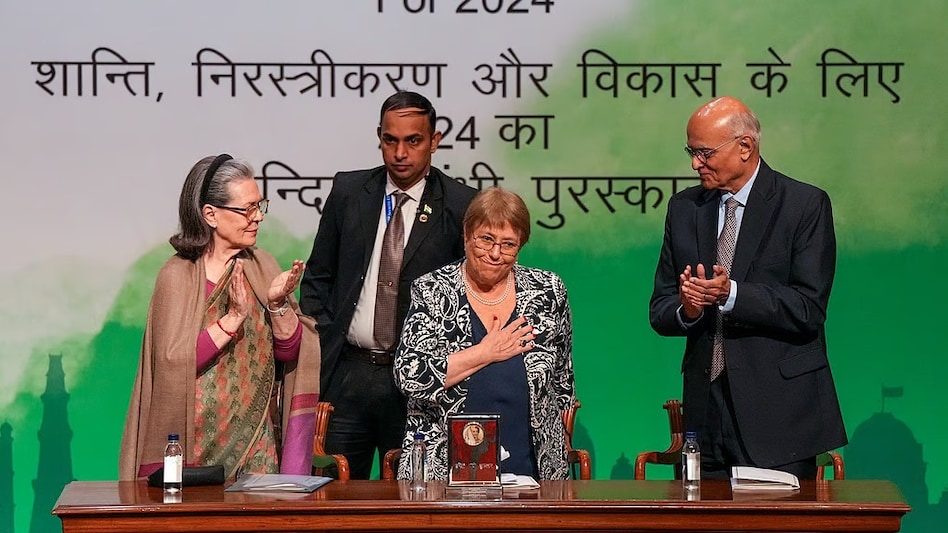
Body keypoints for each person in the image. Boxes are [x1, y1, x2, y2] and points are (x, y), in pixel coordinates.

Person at [648, 96, 847, 479]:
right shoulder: (685, 208)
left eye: (704, 152)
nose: (695, 164)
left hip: (780, 413)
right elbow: (660, 308)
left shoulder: (803, 205)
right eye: (691, 152)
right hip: (706, 413)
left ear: (745, 147)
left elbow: (808, 308)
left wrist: (731, 294)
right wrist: (688, 309)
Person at [299, 91, 477, 479]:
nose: (400, 152)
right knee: (336, 501)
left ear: (435, 141)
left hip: (418, 383)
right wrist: (325, 339)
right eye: (390, 140)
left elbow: (467, 297)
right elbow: (318, 277)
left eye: (413, 141)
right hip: (348, 374)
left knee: (413, 504)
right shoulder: (349, 192)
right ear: (379, 137)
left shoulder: (460, 205)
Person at [119, 154, 320, 481]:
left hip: (256, 439)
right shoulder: (178, 275)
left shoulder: (262, 265)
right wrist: (233, 319)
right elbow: (172, 364)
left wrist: (279, 304)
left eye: (260, 206)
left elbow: (288, 355)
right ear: (210, 214)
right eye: (247, 209)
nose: (257, 218)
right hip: (192, 443)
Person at [393, 187, 575, 481]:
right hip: (443, 471)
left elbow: (563, 381)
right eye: (486, 239)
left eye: (508, 245)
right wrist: (486, 351)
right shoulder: (433, 290)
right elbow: (409, 376)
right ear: (466, 235)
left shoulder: (548, 291)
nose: (495, 253)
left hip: (534, 469)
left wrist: (558, 443)